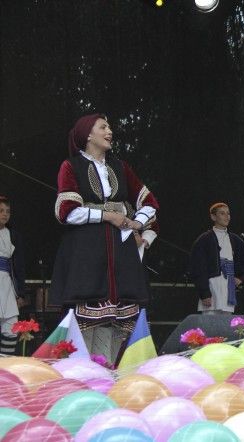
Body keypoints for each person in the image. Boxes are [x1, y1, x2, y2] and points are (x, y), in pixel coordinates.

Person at [50, 114, 159, 363]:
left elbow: (150, 202)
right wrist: (107, 215)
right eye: (103, 127)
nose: (109, 131)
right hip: (87, 252)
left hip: (120, 254)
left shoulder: (119, 167)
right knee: (85, 321)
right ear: (88, 134)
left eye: (109, 126)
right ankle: (81, 373)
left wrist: (137, 221)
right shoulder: (71, 166)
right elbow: (66, 212)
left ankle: (108, 373)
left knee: (116, 323)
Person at [189, 203, 244, 315]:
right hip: (212, 288)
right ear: (213, 217)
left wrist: (241, 278)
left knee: (226, 323)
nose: (227, 216)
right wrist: (204, 293)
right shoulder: (204, 240)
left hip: (228, 289)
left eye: (228, 213)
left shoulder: (235, 240)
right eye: (222, 213)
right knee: (209, 322)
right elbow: (198, 268)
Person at [0, 196, 26, 355]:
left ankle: (3, 363)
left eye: (7, 211)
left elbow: (18, 266)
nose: (5, 214)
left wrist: (20, 293)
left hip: (6, 284)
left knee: (11, 325)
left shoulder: (12, 235)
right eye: (1, 211)